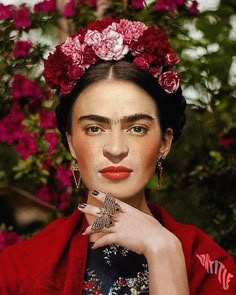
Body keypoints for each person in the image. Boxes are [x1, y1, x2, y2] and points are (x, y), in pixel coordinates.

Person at [0, 17, 235, 295]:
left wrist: (163, 250)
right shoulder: (17, 271)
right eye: (94, 128)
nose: (115, 148)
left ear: (164, 142)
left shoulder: (210, 266)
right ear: (72, 144)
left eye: (136, 128)